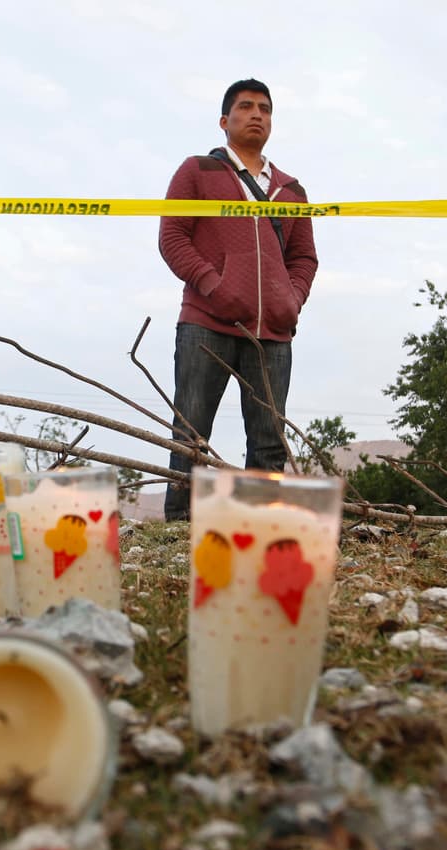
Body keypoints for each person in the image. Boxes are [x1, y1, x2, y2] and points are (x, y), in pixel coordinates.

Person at [159, 78, 319, 520]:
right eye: (246, 107)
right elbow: (172, 238)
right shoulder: (196, 171)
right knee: (190, 429)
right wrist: (214, 286)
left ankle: (260, 529)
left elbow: (305, 257)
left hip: (273, 333)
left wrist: (291, 300)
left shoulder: (292, 190)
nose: (257, 115)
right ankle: (178, 531)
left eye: (265, 109)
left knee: (269, 440)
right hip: (205, 323)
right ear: (224, 121)